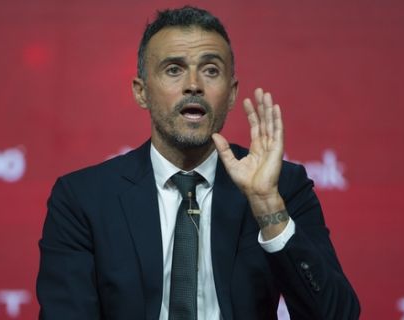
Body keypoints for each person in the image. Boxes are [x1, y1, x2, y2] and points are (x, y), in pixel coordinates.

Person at [37, 6, 360, 320]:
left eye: (211, 70)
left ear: (231, 94)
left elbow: (337, 314)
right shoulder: (83, 198)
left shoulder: (282, 186)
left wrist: (266, 206)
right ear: (141, 92)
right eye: (174, 69)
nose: (194, 84)